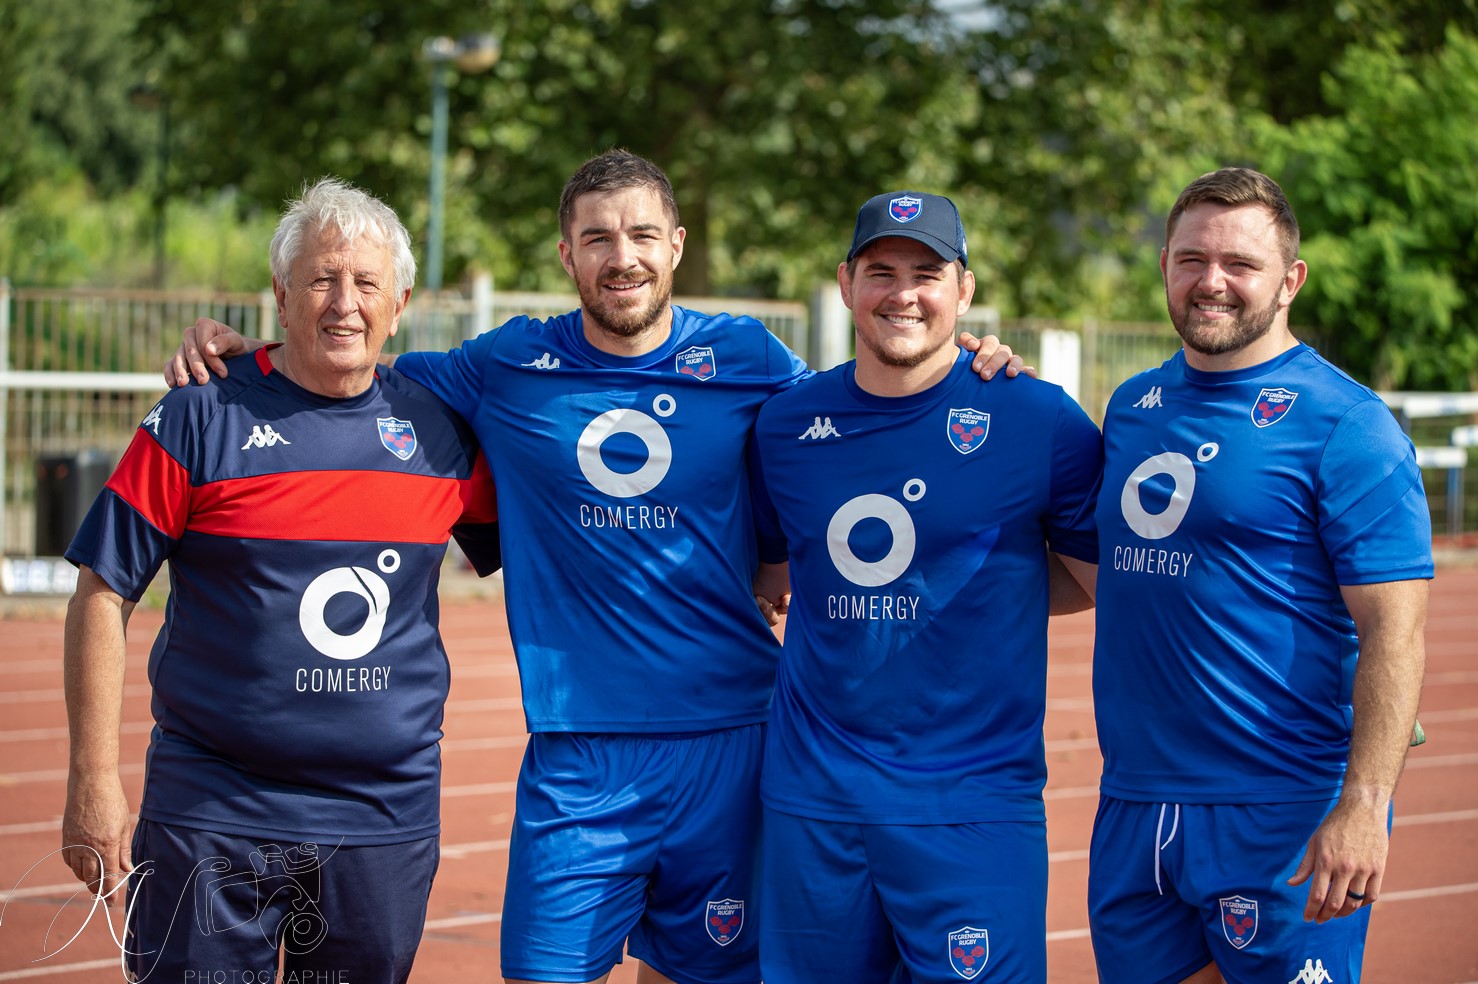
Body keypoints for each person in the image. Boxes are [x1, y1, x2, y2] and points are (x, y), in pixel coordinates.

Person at [163, 150, 1027, 984]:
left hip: (733, 741)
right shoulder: (501, 364)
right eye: (600, 239)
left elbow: (867, 414)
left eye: (644, 236)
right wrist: (247, 359)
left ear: (676, 245)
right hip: (578, 753)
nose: (625, 259)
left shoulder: (751, 359)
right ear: (566, 251)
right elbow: (351, 370)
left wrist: (967, 365)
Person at [62, 177, 501, 984]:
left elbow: (548, 543)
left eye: (367, 283)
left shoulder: (440, 433)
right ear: (281, 294)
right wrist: (93, 780)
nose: (344, 303)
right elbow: (101, 591)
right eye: (321, 279)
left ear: (398, 302)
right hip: (211, 810)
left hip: (382, 816)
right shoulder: (199, 415)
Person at [1085, 167, 1431, 984]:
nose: (1212, 281)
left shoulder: (1345, 424)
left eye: (1240, 264)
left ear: (1289, 281)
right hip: (1135, 801)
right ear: (1165, 263)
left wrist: (1364, 804)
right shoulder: (1132, 407)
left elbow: (1397, 628)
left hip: (1280, 809)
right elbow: (1090, 567)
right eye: (1191, 258)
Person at [746, 191, 1101, 983]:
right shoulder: (785, 425)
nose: (903, 292)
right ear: (845, 284)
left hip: (972, 807)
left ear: (964, 292)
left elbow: (1107, 582)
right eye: (881, 271)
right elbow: (772, 577)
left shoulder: (1037, 418)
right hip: (815, 805)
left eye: (927, 273)